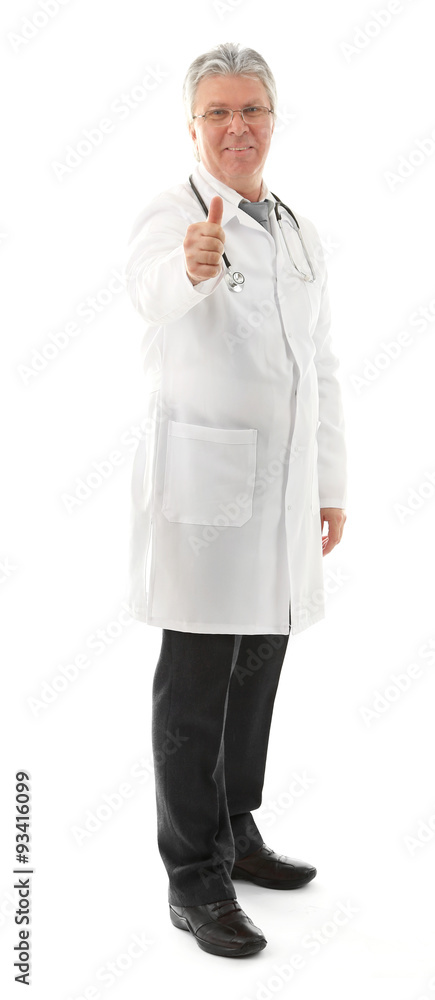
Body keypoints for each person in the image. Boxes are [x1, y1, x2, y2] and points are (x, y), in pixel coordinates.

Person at [124, 42, 347, 959]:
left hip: (282, 493)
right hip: (205, 496)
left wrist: (329, 484)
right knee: (196, 687)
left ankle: (234, 828)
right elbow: (150, 292)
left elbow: (318, 364)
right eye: (217, 112)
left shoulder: (295, 228)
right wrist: (192, 265)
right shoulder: (173, 215)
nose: (236, 127)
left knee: (258, 666)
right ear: (192, 127)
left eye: (250, 109)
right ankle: (192, 876)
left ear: (272, 118)